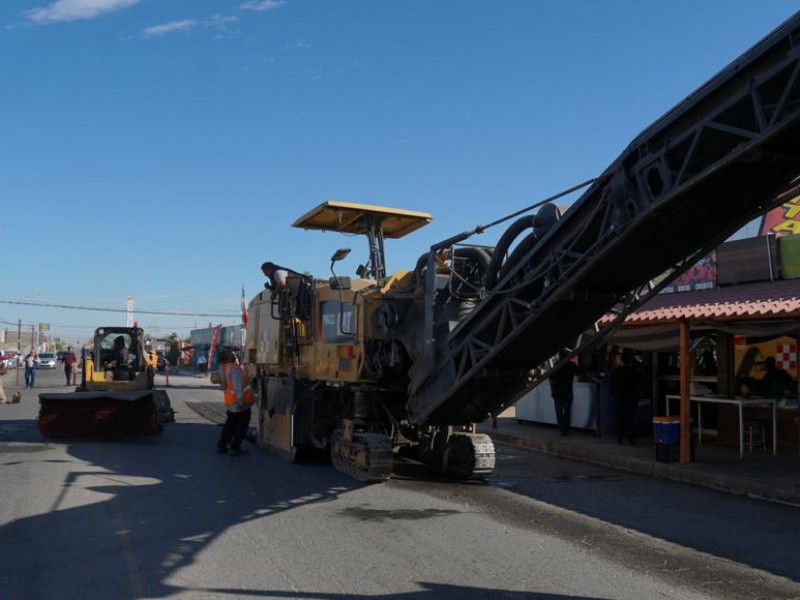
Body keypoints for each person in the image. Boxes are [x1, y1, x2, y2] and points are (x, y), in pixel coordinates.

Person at [215, 350, 254, 456]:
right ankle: (235, 447)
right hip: (240, 403)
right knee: (241, 426)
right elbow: (238, 387)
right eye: (232, 355)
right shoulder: (235, 369)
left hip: (231, 402)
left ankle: (222, 445)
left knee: (230, 425)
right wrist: (241, 401)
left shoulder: (225, 368)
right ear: (228, 358)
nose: (235, 355)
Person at [610, 350, 641, 445]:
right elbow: (638, 384)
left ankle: (619, 438)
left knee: (619, 418)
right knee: (629, 418)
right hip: (630, 397)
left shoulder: (616, 371)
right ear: (630, 362)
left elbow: (611, 385)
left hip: (618, 397)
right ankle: (630, 438)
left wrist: (614, 393)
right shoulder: (633, 372)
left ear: (622, 361)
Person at [549, 352, 580, 436]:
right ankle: (566, 429)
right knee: (567, 411)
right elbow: (579, 372)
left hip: (557, 392)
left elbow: (551, 378)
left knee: (559, 412)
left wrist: (552, 390)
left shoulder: (556, 365)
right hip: (567, 392)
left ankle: (562, 429)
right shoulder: (571, 365)